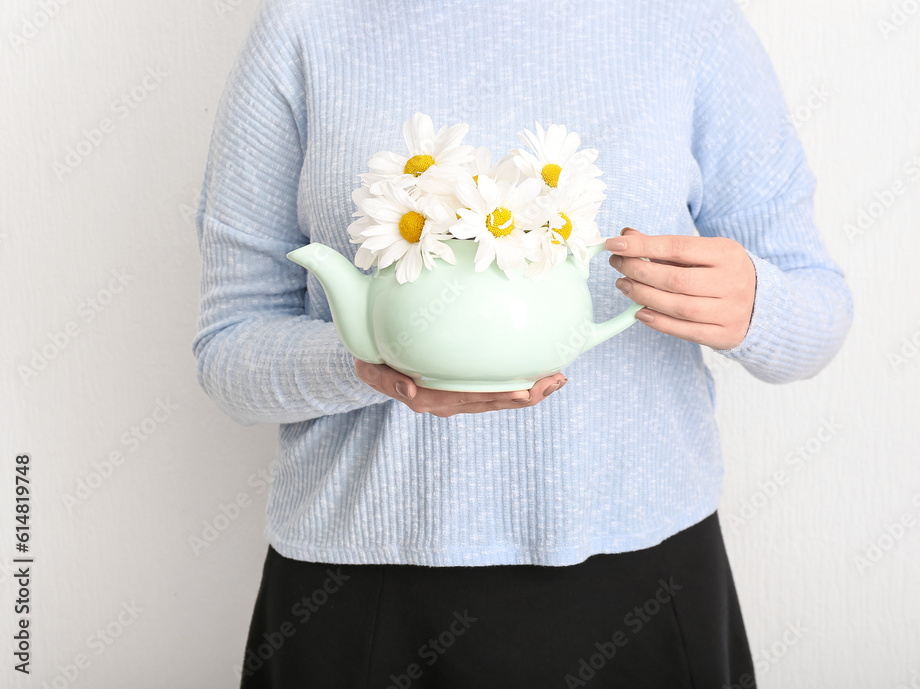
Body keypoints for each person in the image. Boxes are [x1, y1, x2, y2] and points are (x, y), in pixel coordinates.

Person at [192, 0, 853, 687]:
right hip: (362, 595)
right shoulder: (306, 26)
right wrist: (367, 361)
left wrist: (756, 306)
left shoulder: (691, 22)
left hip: (646, 584)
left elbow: (820, 312)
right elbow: (228, 346)